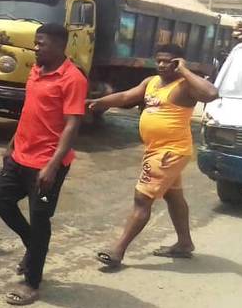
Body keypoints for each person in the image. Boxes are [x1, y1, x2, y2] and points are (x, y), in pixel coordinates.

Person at [90, 43, 218, 268]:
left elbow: (211, 93)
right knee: (173, 197)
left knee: (142, 199)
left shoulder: (185, 86)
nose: (161, 64)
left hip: (169, 153)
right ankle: (185, 243)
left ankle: (118, 250)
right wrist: (100, 102)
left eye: (167, 60)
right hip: (156, 150)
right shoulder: (151, 82)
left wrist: (185, 71)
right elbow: (126, 97)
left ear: (178, 62)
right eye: (158, 60)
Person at [0, 23, 87, 306]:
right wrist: (12, 142)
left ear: (59, 45)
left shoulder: (72, 78)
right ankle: (33, 247)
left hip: (47, 167)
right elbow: (29, 111)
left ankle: (32, 282)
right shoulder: (36, 70)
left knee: (40, 217)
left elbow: (72, 125)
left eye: (41, 43)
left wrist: (53, 166)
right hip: (20, 157)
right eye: (36, 42)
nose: (36, 47)